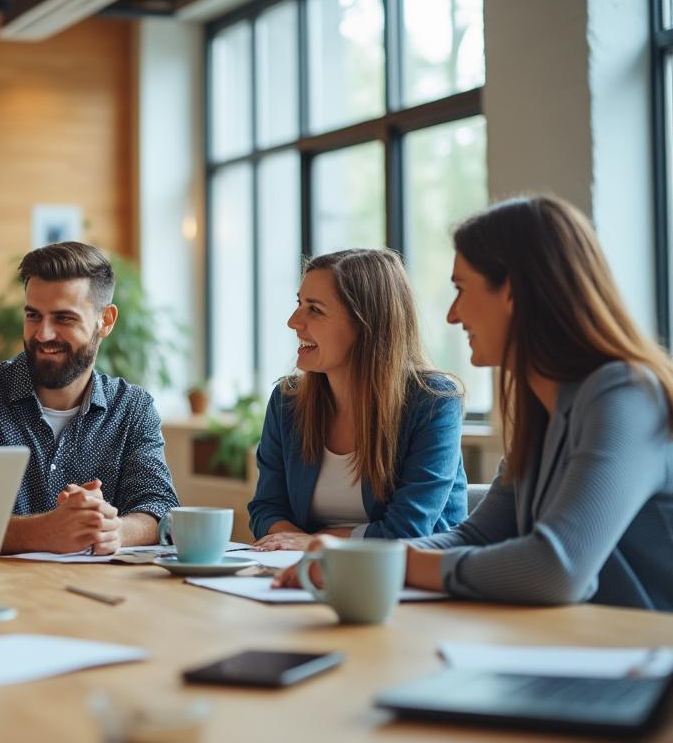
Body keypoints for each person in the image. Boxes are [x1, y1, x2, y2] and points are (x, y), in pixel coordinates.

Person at [276, 196, 673, 611]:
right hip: (576, 646)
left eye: (461, 289)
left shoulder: (625, 394)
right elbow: (476, 536)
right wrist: (358, 559)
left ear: (514, 292)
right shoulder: (544, 407)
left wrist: (380, 561)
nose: (452, 315)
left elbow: (555, 570)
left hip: (643, 659)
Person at [0, 242, 179, 554]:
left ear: (107, 321)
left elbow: (159, 506)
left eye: (63, 318)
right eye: (33, 315)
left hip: (102, 594)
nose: (43, 334)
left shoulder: (132, 408)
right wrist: (44, 531)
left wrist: (114, 530)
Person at [248, 248, 468, 550]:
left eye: (314, 309)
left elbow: (409, 530)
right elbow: (266, 508)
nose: (293, 321)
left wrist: (312, 543)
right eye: (299, 303)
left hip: (414, 583)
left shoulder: (433, 402)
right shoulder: (287, 402)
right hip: (310, 575)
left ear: (366, 324)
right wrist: (293, 547)